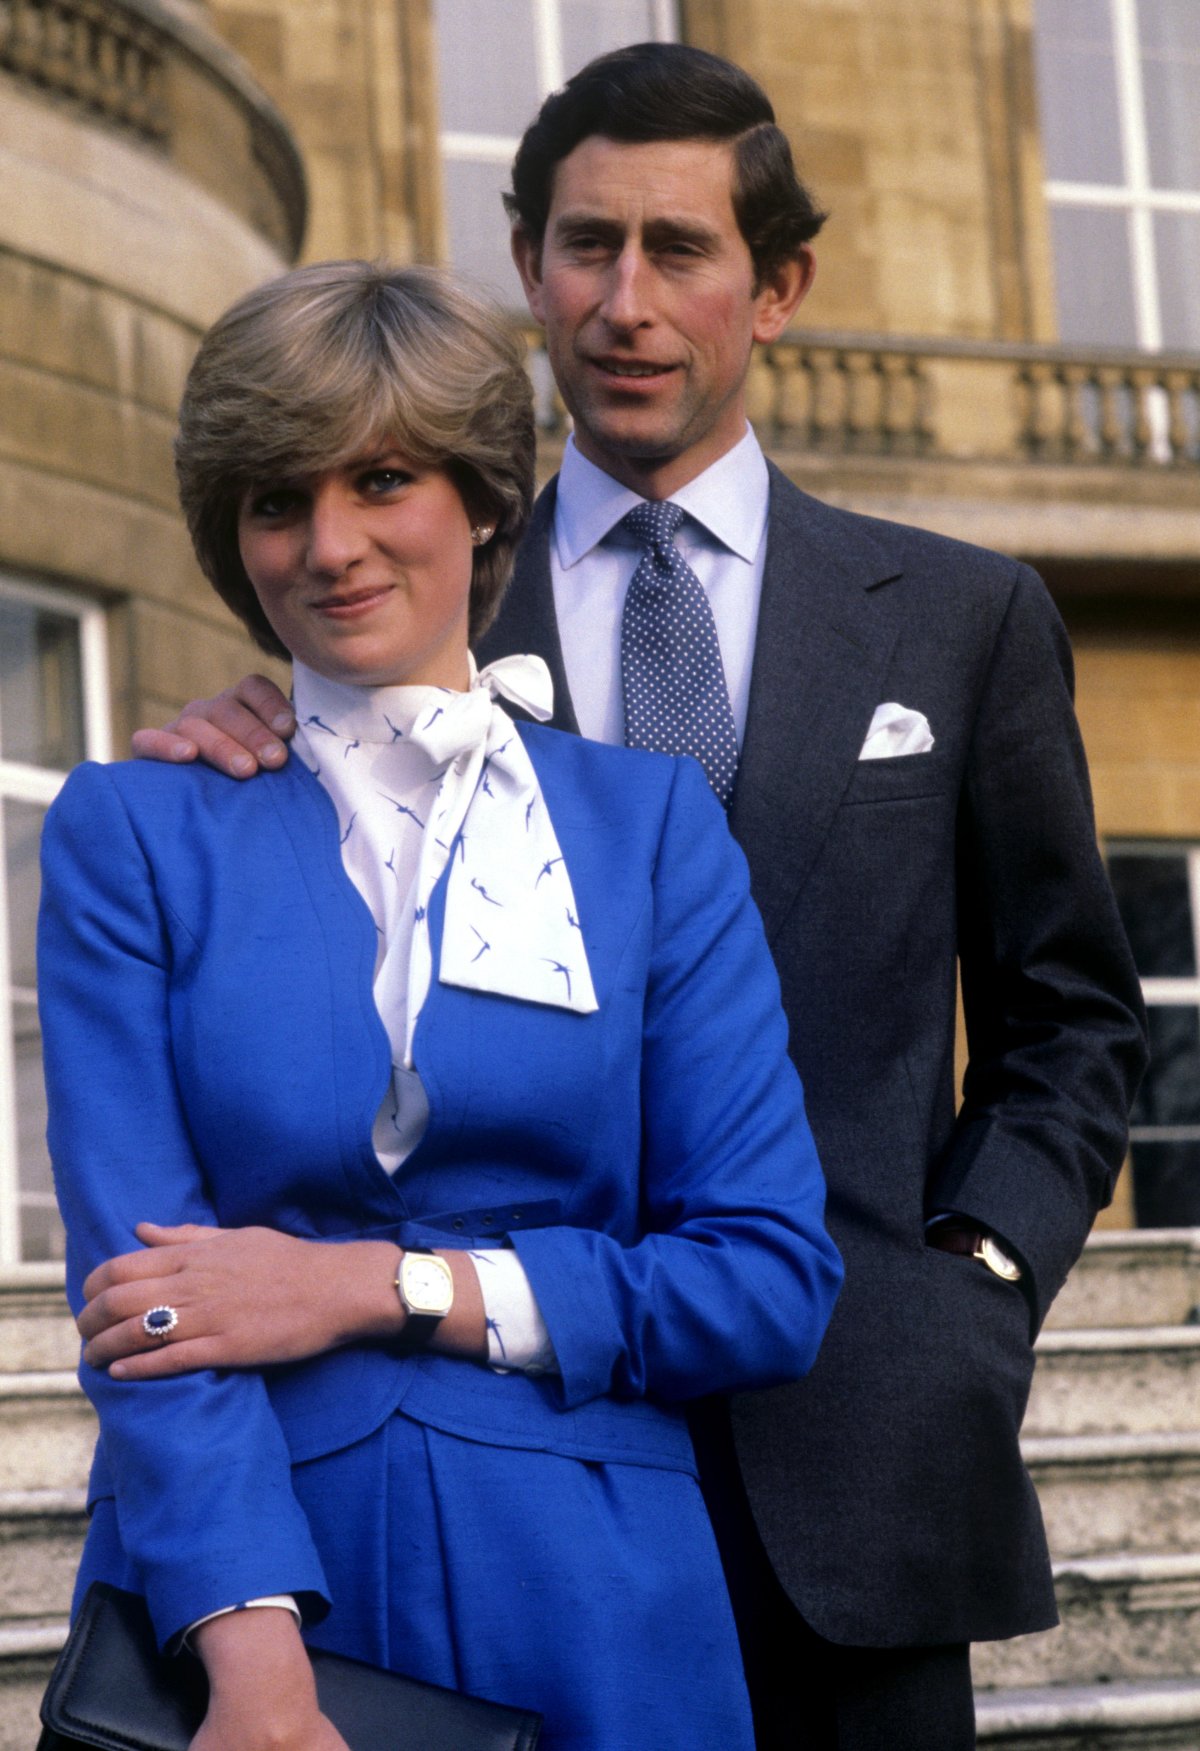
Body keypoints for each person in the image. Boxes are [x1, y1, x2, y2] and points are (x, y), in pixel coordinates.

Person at [129, 44, 1149, 1751]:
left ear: (779, 284)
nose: (625, 300)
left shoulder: (962, 621)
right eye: (583, 244)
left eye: (679, 249)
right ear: (527, 265)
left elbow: (1073, 1022)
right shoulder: (391, 589)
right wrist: (262, 731)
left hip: (866, 1453)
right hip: (509, 1475)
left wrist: (968, 1279)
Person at [38, 259, 843, 1751]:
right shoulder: (135, 829)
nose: (330, 546)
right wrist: (258, 1671)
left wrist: (373, 1285)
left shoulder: (649, 830)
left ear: (480, 500)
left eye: (384, 481)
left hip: (600, 1598)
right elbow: (142, 1299)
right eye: (279, 503)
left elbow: (766, 1277)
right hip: (253, 1594)